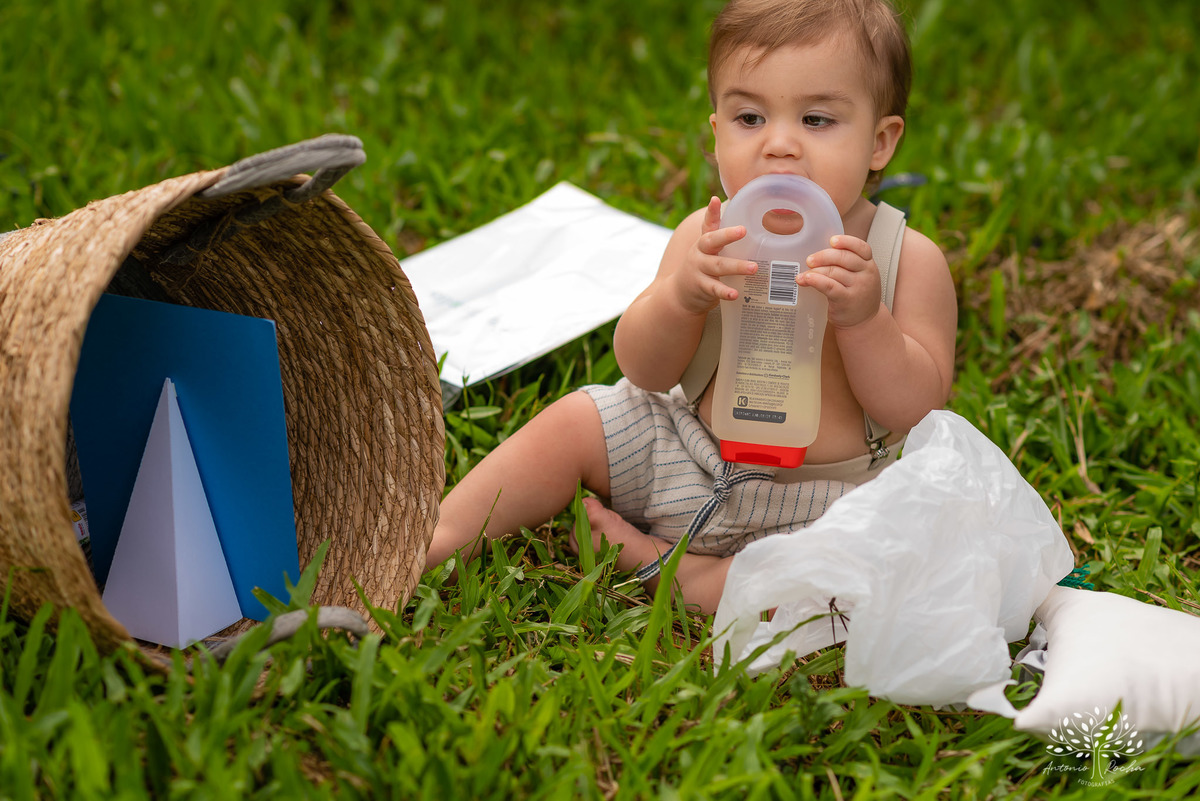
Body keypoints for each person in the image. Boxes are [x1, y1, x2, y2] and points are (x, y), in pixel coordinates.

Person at [425, 0, 957, 615]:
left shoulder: (904, 260)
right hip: (688, 450)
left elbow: (917, 410)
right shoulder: (703, 238)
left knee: (861, 569)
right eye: (750, 117)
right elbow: (644, 370)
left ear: (879, 142)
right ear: (716, 131)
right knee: (582, 418)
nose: (779, 146)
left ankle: (664, 570)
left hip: (825, 499)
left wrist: (867, 320)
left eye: (816, 120)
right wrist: (681, 296)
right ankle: (439, 535)